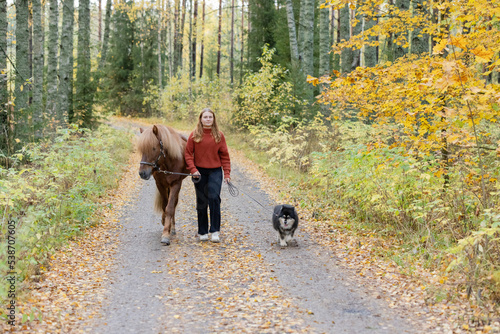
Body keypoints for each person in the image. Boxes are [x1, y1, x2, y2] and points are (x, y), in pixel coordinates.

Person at [184, 108, 231, 243]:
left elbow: (225, 156)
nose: (208, 119)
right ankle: (203, 231)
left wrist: (227, 172)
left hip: (215, 171)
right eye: (205, 117)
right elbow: (188, 154)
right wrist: (193, 170)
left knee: (214, 198)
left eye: (210, 117)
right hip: (199, 172)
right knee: (201, 201)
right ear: (201, 119)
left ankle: (215, 231)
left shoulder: (219, 135)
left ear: (214, 119)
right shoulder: (194, 135)